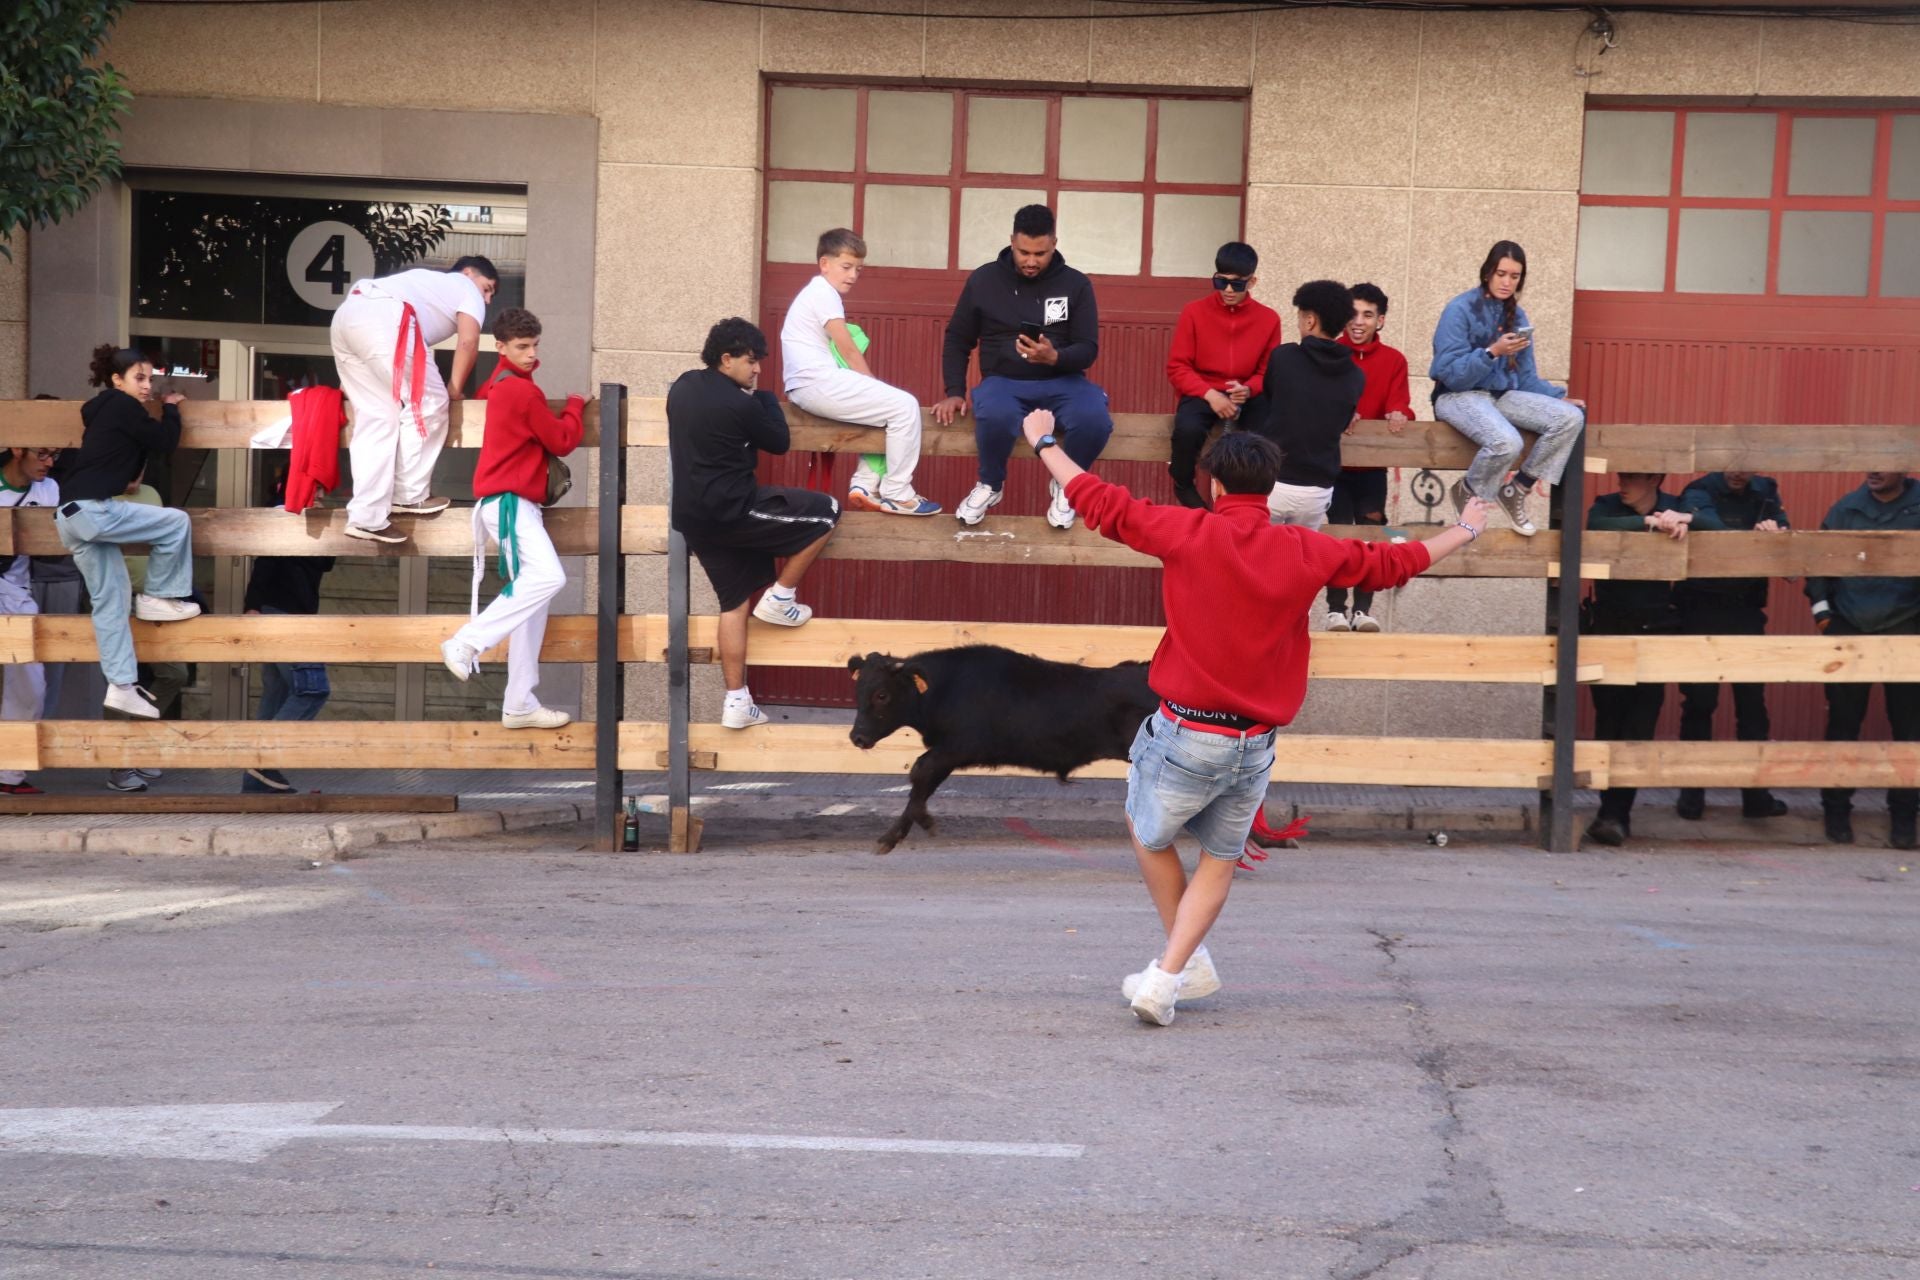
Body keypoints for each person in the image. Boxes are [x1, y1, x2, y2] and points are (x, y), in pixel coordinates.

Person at [1022, 409, 1491, 1026]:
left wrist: (1045, 442)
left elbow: (1097, 500)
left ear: (1215, 484)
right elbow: (1393, 563)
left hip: (1185, 729)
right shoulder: (1307, 549)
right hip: (1255, 742)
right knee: (1220, 857)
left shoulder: (1185, 531)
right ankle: (1179, 967)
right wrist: (1464, 528)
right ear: (1271, 488)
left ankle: (1171, 973)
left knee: (1146, 830)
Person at [668, 319, 839, 730]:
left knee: (734, 602)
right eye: (751, 362)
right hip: (733, 509)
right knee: (826, 511)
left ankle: (736, 701)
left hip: (692, 518)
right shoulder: (741, 403)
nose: (758, 369)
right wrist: (763, 398)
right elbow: (779, 441)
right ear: (725, 360)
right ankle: (782, 596)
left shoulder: (682, 386)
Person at [442, 308, 584, 729]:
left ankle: (519, 701)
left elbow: (492, 398)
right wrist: (576, 405)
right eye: (522, 347)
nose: (530, 353)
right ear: (500, 347)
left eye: (535, 345)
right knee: (549, 579)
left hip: (502, 503)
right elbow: (563, 438)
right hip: (509, 504)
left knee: (532, 600)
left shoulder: (502, 384)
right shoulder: (522, 392)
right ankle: (466, 643)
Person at [934, 204, 1112, 531]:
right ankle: (990, 485)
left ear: (1054, 244)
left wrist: (1055, 357)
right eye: (1024, 252)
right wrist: (954, 391)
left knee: (1095, 418)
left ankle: (1068, 485)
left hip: (1064, 382)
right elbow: (958, 337)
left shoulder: (1076, 284)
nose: (1031, 261)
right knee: (994, 413)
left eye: (1040, 253)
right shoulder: (984, 279)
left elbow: (1088, 348)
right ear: (1011, 242)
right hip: (1004, 382)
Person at [56, 346, 201, 723]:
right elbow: (166, 442)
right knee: (175, 522)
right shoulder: (122, 406)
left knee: (112, 602)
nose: (147, 386)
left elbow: (131, 460)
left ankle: (121, 687)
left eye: (151, 379)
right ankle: (160, 594)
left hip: (70, 516)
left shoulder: (104, 411)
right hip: (93, 510)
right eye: (140, 378)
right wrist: (171, 407)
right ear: (117, 380)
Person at [330, 256, 499, 544]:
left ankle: (366, 517)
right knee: (432, 402)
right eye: (487, 288)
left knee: (379, 418)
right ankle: (408, 494)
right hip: (385, 317)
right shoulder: (463, 285)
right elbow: (469, 341)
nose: (487, 299)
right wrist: (455, 389)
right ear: (468, 272)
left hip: (346, 316)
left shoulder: (423, 285)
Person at [1430, 240, 1587, 537]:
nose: (1507, 282)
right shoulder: (1459, 308)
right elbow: (1450, 374)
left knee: (1570, 418)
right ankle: (1471, 492)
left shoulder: (1518, 315)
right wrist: (1492, 353)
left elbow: (1526, 378)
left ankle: (1517, 490)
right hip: (1455, 396)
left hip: (1500, 397)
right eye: (1501, 274)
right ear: (1488, 272)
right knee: (1507, 442)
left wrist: (1557, 398)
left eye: (1514, 277)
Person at [781, 228, 938, 516]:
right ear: (824, 263)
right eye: (846, 266)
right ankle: (898, 493)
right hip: (816, 382)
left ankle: (865, 484)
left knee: (887, 413)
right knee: (905, 406)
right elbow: (849, 350)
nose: (853, 275)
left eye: (858, 269)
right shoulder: (823, 293)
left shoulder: (815, 292)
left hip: (807, 385)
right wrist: (872, 385)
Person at [1807, 471, 1920, 850]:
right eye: (1868, 463)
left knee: (1910, 730)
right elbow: (1817, 564)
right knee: (1842, 725)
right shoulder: (1846, 509)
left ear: (1903, 468)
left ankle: (1905, 817)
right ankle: (1835, 811)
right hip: (1850, 632)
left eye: (1883, 464)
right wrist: (1825, 616)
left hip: (1906, 634)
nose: (1873, 471)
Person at [1673, 471, 1791, 821]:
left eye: (1746, 466)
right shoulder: (1699, 489)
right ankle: (1691, 796)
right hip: (1701, 610)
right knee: (1699, 702)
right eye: (1732, 466)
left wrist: (1775, 535)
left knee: (1752, 707)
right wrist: (1750, 540)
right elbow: (1704, 522)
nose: (1739, 474)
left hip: (1745, 610)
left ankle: (1756, 797)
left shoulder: (1766, 490)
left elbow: (1783, 533)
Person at [1583, 473, 1691, 848]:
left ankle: (1616, 815)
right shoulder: (1606, 506)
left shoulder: (1678, 504)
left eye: (1632, 477)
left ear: (1654, 480)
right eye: (1621, 475)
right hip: (1610, 629)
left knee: (1639, 727)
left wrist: (1684, 519)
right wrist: (1649, 522)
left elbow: (1710, 520)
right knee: (1609, 722)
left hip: (1655, 632)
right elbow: (1597, 524)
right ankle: (1608, 810)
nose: (1622, 482)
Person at [1164, 241, 1282, 509]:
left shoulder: (1269, 319)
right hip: (1203, 389)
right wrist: (1210, 395)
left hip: (1248, 394)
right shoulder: (1194, 312)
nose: (1228, 290)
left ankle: (1251, 498)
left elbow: (1268, 371)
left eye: (1237, 284)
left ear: (1252, 282)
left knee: (1263, 434)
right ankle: (1183, 482)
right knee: (1187, 428)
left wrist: (1250, 388)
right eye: (1221, 282)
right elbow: (1178, 366)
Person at [1326, 282, 1414, 633]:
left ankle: (1362, 610)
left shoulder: (1394, 360)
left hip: (1372, 468)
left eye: (1367, 315)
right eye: (1352, 314)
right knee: (1338, 534)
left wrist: (1398, 414)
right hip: (1332, 465)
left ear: (1381, 320)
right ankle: (1335, 609)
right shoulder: (1330, 353)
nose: (1358, 322)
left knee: (1372, 532)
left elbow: (1399, 402)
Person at [241, 489, 335, 793]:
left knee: (278, 693)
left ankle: (255, 785)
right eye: (316, 488)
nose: (321, 494)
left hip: (293, 613)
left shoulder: (310, 519)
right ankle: (264, 760)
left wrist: (320, 520)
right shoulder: (281, 511)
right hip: (280, 613)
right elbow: (264, 563)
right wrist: (252, 606)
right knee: (312, 688)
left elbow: (326, 563)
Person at [1251, 280, 1363, 531]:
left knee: (1258, 558)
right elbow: (1343, 420)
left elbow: (1269, 398)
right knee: (1297, 561)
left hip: (1275, 480)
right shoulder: (1356, 375)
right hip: (1318, 489)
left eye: (1301, 316)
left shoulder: (1283, 357)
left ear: (1310, 320)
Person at [107, 472, 191, 793]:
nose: (133, 475)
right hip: (115, 598)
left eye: (139, 467)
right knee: (120, 681)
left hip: (152, 599)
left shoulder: (153, 493)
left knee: (174, 673)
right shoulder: (101, 495)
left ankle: (140, 746)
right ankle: (120, 766)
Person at [0, 445, 59, 795]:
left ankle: (7, 773)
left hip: (16, 591)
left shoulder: (48, 488)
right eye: (43, 454)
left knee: (30, 680)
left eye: (55, 455)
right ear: (18, 448)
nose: (50, 463)